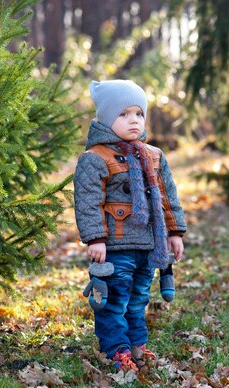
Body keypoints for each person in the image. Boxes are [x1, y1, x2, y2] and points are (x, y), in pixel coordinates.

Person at [74, 79, 186, 372]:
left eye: (138, 113)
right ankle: (116, 351)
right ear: (107, 118)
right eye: (123, 114)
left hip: (148, 245)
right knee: (114, 301)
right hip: (116, 246)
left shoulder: (154, 156)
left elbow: (166, 198)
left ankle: (137, 346)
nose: (133, 120)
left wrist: (174, 232)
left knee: (138, 300)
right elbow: (88, 201)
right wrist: (95, 237)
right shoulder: (95, 158)